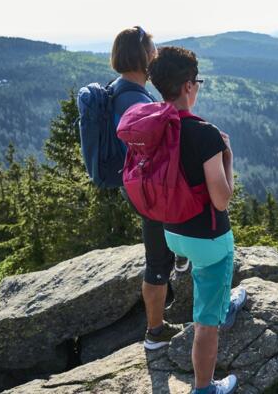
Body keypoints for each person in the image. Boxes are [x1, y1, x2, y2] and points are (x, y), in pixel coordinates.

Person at [147, 46, 246, 394]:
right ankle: (205, 388)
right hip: (209, 241)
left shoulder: (153, 128)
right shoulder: (205, 133)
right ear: (188, 85)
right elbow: (221, 199)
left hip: (171, 232)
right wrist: (228, 158)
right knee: (207, 322)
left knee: (208, 281)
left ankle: (220, 298)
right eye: (197, 81)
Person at [109, 26, 188, 349]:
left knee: (164, 249)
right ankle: (155, 332)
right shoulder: (133, 97)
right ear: (141, 55)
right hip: (146, 187)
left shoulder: (122, 89)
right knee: (157, 261)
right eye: (152, 49)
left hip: (137, 183)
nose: (155, 54)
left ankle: (180, 256)